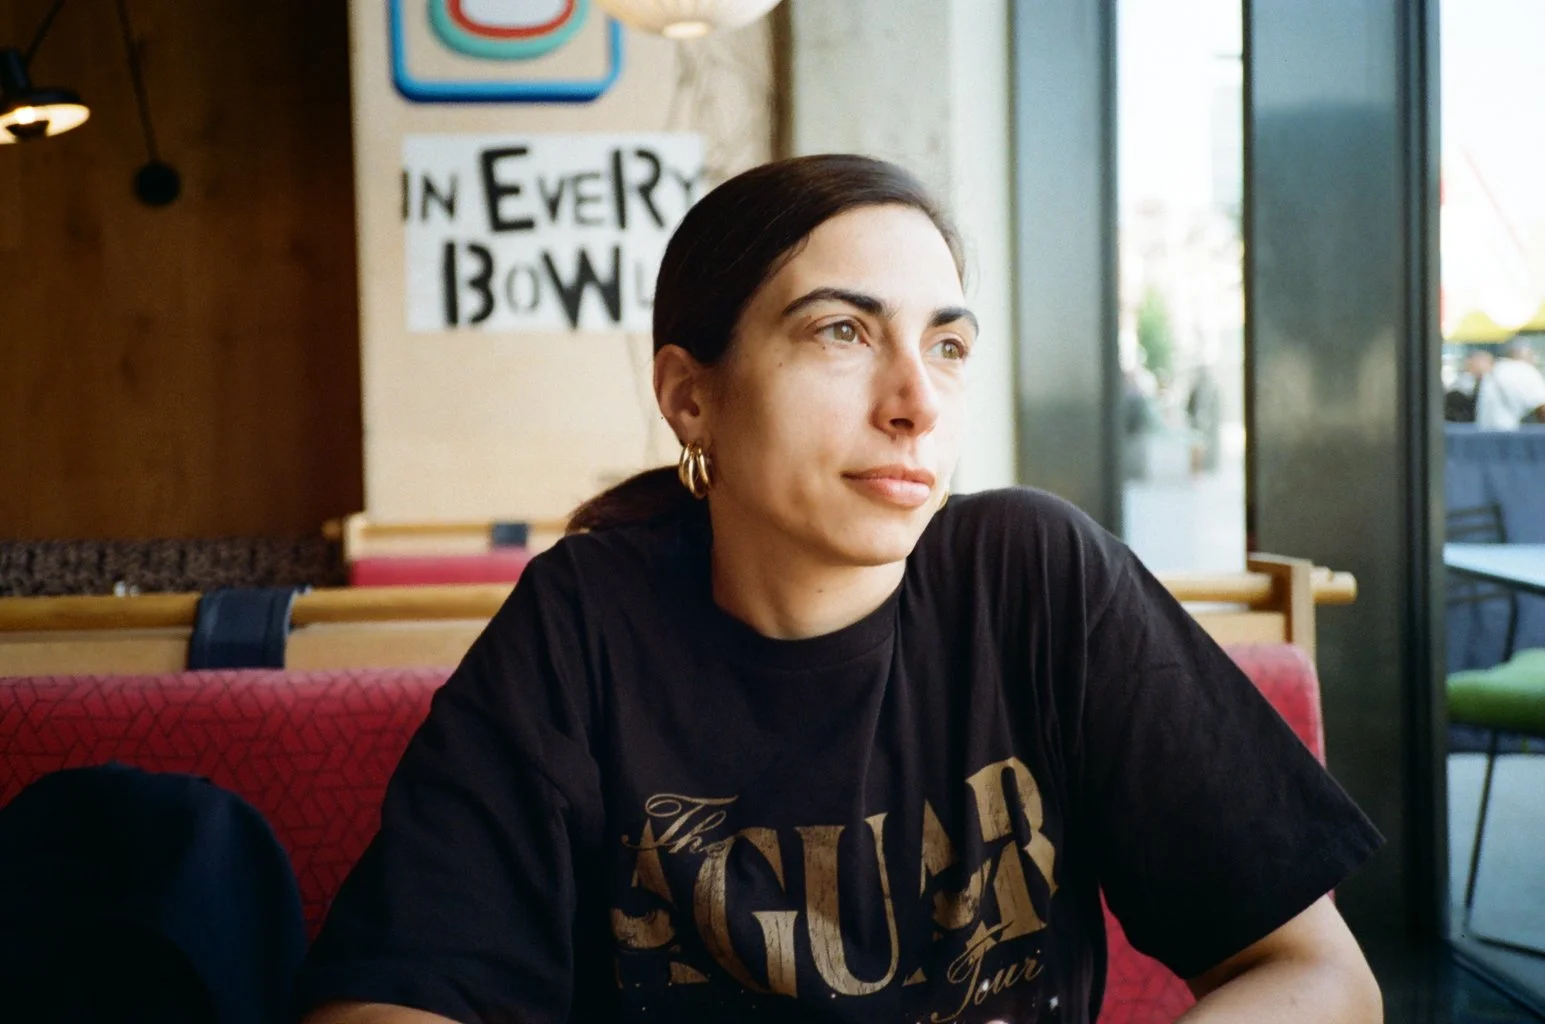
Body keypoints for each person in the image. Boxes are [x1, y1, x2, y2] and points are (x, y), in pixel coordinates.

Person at [295, 155, 1384, 1024]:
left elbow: (1321, 975)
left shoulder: (1033, 581)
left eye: (947, 345)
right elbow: (387, 994)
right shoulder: (587, 624)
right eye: (842, 331)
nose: (916, 400)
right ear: (691, 397)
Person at [1473, 340, 1545, 429]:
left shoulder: (1494, 370)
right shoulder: (1524, 370)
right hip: (1513, 436)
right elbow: (1542, 406)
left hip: (1484, 435)